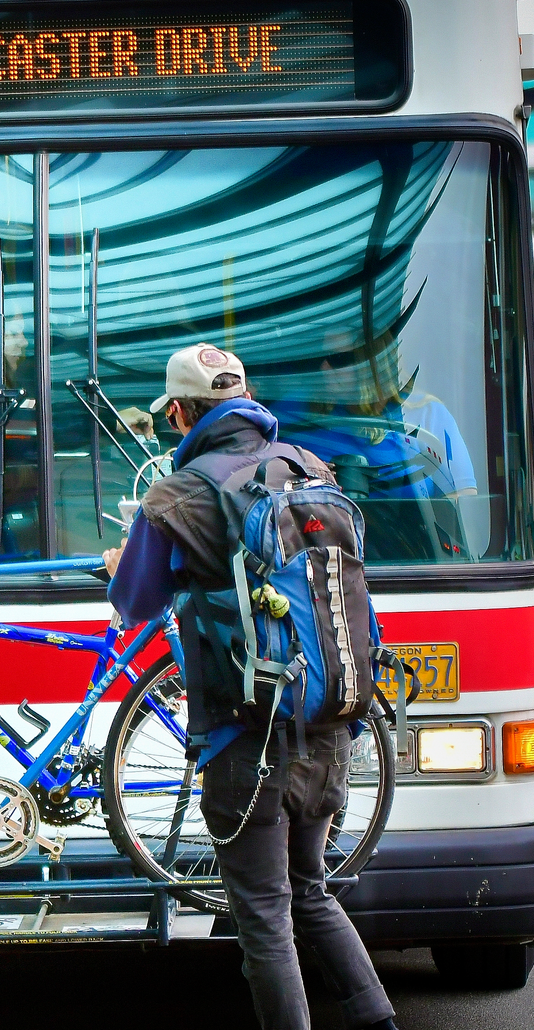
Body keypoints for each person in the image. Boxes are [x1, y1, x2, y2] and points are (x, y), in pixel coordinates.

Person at [102, 344, 398, 1030]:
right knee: (311, 892)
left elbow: (137, 602)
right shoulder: (307, 469)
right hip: (331, 723)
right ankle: (378, 1022)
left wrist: (129, 559)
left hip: (249, 738)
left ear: (180, 412)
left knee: (264, 916)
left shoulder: (177, 494)